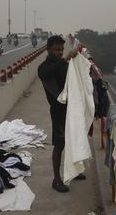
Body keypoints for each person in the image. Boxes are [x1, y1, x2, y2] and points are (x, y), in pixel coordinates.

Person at [37, 35, 83, 192]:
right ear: (48, 49)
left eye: (62, 50)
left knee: (72, 141)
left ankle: (73, 171)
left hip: (71, 109)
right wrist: (66, 59)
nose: (59, 52)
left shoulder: (61, 64)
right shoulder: (44, 67)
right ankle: (56, 179)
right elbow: (49, 72)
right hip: (58, 111)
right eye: (56, 50)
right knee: (59, 145)